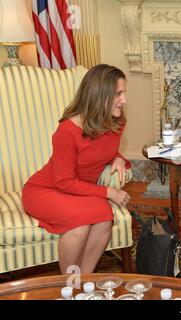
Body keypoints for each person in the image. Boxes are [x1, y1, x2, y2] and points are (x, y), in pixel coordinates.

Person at [22, 64, 132, 275]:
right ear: (100, 95)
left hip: (77, 192)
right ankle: (68, 285)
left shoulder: (117, 122)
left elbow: (102, 150)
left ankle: (83, 284)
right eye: (118, 93)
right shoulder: (67, 130)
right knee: (81, 225)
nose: (124, 100)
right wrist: (110, 192)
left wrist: (117, 158)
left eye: (124, 92)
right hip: (46, 190)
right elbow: (64, 181)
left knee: (104, 217)